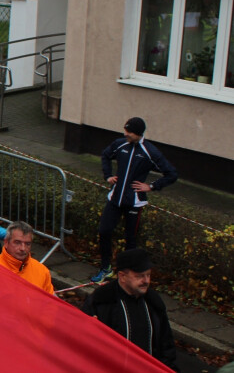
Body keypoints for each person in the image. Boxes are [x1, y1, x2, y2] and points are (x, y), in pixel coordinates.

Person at [92, 117, 178, 282]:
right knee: (104, 231)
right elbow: (105, 155)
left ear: (138, 133)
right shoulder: (120, 144)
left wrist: (151, 186)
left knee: (130, 239)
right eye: (125, 130)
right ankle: (106, 268)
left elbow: (172, 174)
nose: (126, 134)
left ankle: (126, 275)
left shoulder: (150, 152)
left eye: (129, 132)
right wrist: (108, 175)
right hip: (115, 199)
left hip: (134, 202)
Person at [82, 248, 178, 370]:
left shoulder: (153, 302)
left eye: (148, 275)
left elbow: (166, 345)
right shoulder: (101, 301)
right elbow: (86, 345)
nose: (146, 281)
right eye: (140, 276)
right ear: (122, 276)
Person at [0, 221, 54, 294]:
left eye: (27, 244)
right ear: (6, 242)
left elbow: (51, 303)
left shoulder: (42, 271)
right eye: (17, 242)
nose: (23, 248)